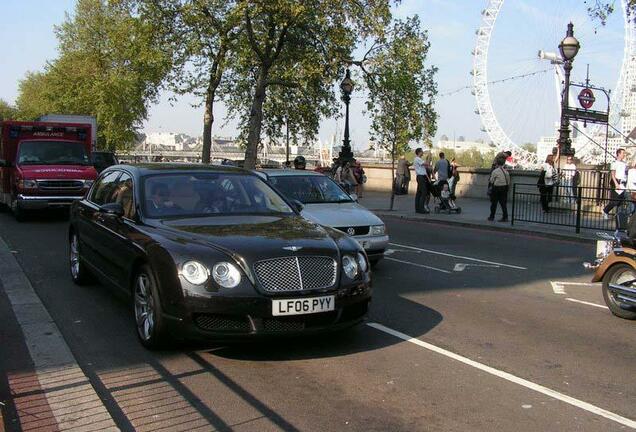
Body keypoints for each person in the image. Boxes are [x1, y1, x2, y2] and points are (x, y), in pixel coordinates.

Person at [603, 148, 628, 219]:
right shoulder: (614, 163)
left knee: (621, 200)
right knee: (615, 200)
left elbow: (625, 173)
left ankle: (618, 215)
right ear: (619, 154)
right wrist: (616, 184)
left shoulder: (624, 163)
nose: (624, 155)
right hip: (616, 182)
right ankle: (605, 211)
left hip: (623, 183)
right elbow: (613, 174)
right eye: (623, 153)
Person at [488, 157, 510, 222]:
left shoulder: (495, 171)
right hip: (504, 188)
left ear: (497, 164)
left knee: (494, 204)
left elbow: (491, 181)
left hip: (496, 188)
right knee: (503, 204)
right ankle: (505, 217)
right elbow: (508, 182)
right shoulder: (506, 172)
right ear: (503, 163)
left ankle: (492, 217)